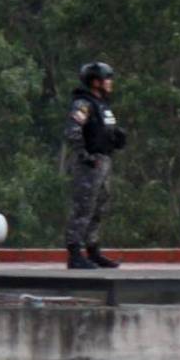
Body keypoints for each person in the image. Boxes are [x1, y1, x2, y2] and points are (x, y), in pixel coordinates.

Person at [62, 61, 127, 270]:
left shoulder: (103, 105)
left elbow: (107, 130)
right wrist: (84, 155)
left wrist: (117, 138)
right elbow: (73, 130)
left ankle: (93, 251)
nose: (110, 83)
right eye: (107, 79)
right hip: (90, 163)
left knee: (100, 207)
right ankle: (74, 254)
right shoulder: (84, 103)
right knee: (83, 207)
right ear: (96, 82)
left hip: (104, 162)